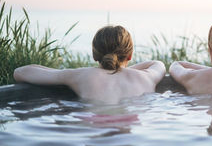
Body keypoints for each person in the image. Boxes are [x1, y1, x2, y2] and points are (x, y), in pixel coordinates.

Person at [14, 25, 166, 103]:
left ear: (94, 55)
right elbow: (157, 63)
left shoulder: (80, 76)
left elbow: (20, 72)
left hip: (92, 130)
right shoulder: (147, 77)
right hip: (131, 132)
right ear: (130, 55)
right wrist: (124, 70)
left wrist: (62, 74)